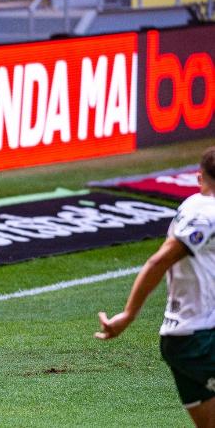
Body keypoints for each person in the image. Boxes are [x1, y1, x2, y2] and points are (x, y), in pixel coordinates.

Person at [95, 146, 215, 428]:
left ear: (199, 178)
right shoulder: (206, 216)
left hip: (180, 337)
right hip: (200, 338)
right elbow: (158, 261)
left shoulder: (191, 205)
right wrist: (128, 315)